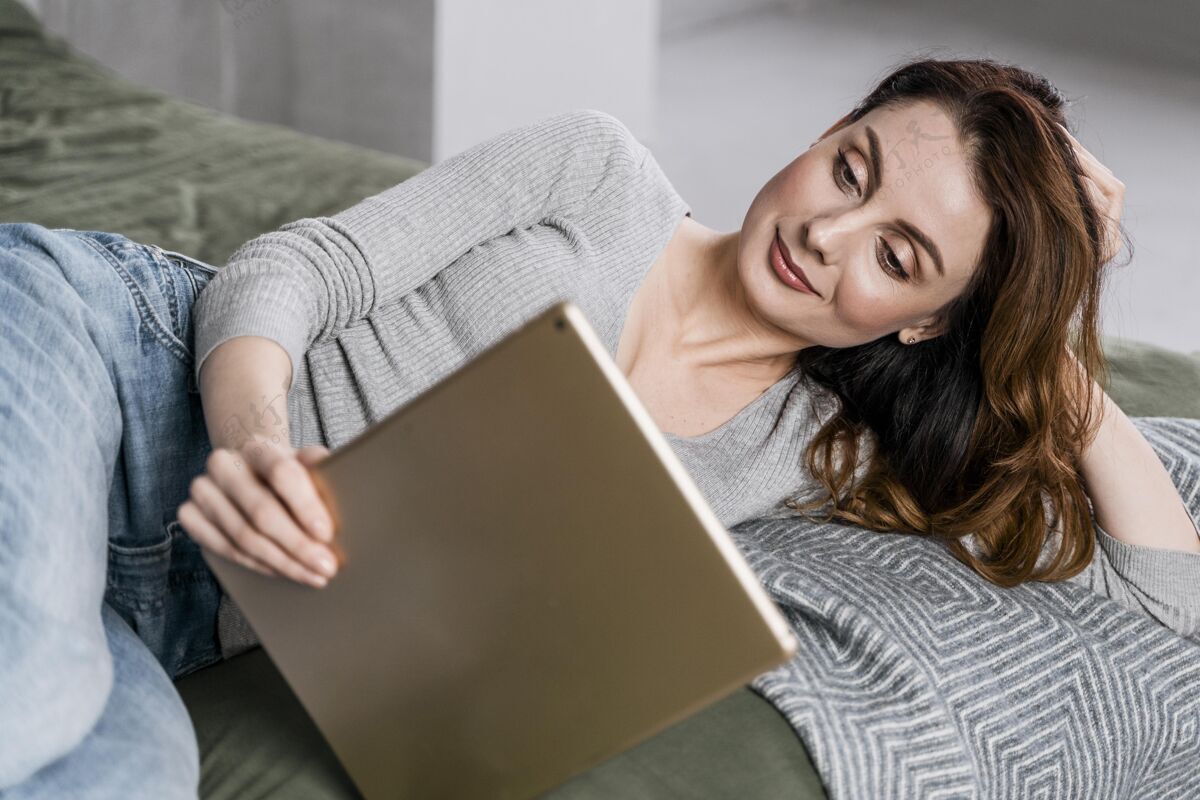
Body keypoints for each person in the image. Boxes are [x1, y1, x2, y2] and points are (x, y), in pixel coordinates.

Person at [2, 55, 1196, 798]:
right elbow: (296, 267)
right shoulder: (598, 176)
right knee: (29, 690)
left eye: (899, 254)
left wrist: (1053, 325)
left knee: (125, 776)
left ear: (931, 323)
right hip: (106, 359)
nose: (826, 235)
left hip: (189, 614)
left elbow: (1168, 600)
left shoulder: (810, 453)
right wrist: (256, 435)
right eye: (850, 168)